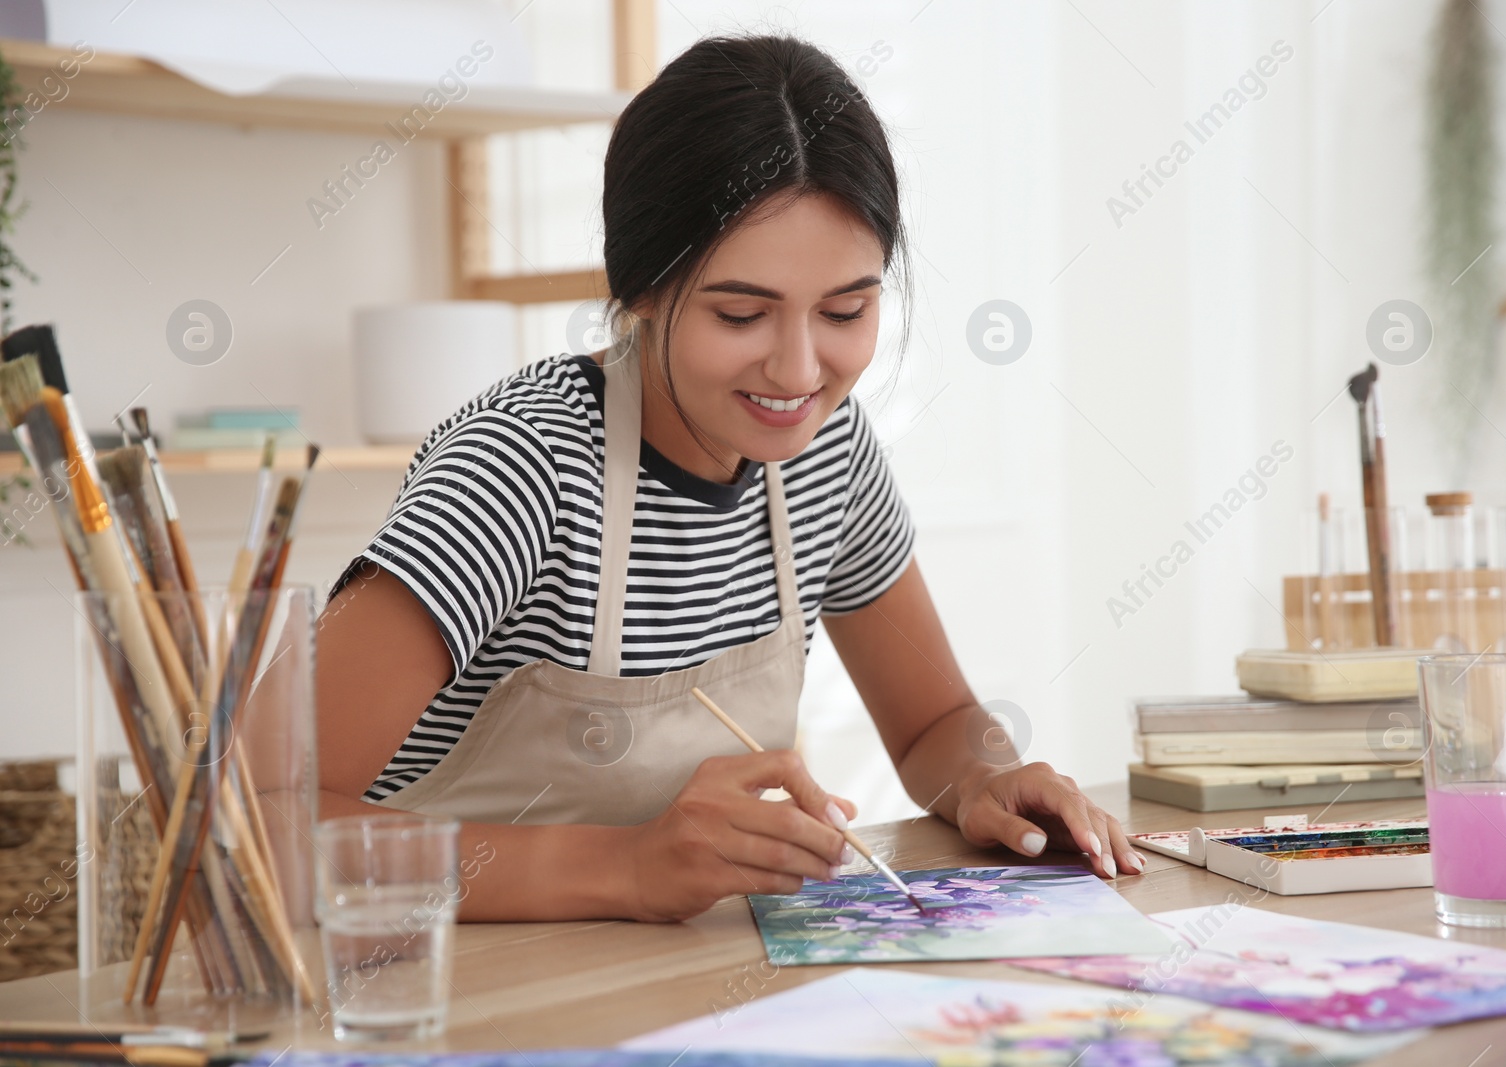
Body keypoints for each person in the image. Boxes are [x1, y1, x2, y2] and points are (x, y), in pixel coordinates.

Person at [317, 33, 1143, 923]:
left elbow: (933, 722)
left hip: (669, 988)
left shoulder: (827, 452)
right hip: (436, 1001)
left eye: (845, 310)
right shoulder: (522, 465)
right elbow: (245, 826)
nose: (797, 371)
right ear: (639, 286)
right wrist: (624, 866)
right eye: (742, 313)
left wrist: (988, 774)